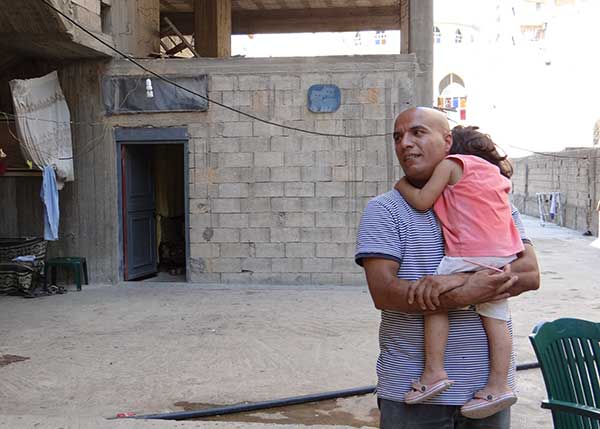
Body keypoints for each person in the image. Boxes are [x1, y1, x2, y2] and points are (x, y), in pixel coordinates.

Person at [355, 107, 540, 429]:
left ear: (447, 142)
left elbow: (529, 274)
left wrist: (455, 282)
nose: (405, 143)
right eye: (398, 137)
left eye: (418, 132)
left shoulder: (495, 203)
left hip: (488, 394)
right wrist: (466, 292)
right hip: (410, 390)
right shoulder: (384, 209)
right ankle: (434, 372)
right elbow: (384, 293)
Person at [394, 125, 523, 419]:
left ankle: (433, 372)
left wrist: (402, 185)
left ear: (449, 145)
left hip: (468, 251)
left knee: (434, 300)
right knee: (496, 319)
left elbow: (423, 201)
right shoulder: (496, 175)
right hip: (503, 254)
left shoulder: (452, 164)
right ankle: (499, 385)